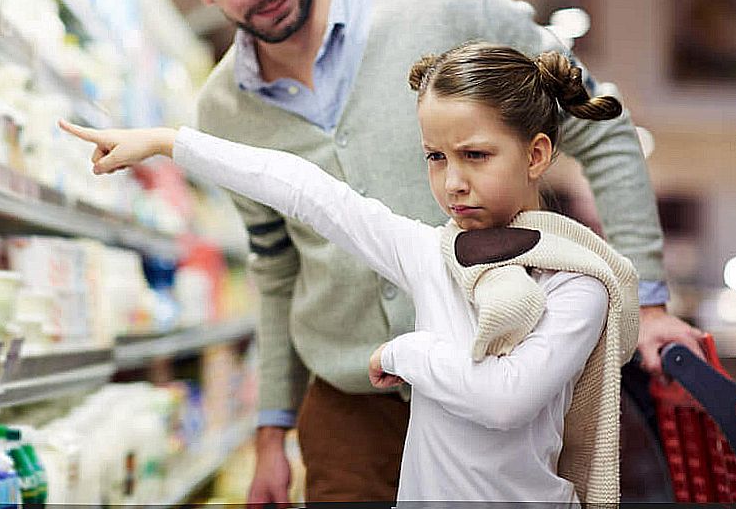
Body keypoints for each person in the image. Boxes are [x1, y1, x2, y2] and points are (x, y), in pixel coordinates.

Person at [165, 0, 703, 503]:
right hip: (350, 406)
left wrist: (646, 302)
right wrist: (272, 428)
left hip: (500, 375)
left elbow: (603, 123)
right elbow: (277, 266)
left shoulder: (448, 7)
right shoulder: (221, 110)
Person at [57, 42, 640, 503]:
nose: (453, 181)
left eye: (476, 155)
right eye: (436, 157)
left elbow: (504, 400)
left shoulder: (578, 281)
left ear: (536, 154)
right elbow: (306, 189)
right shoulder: (434, 254)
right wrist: (168, 141)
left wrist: (399, 356)